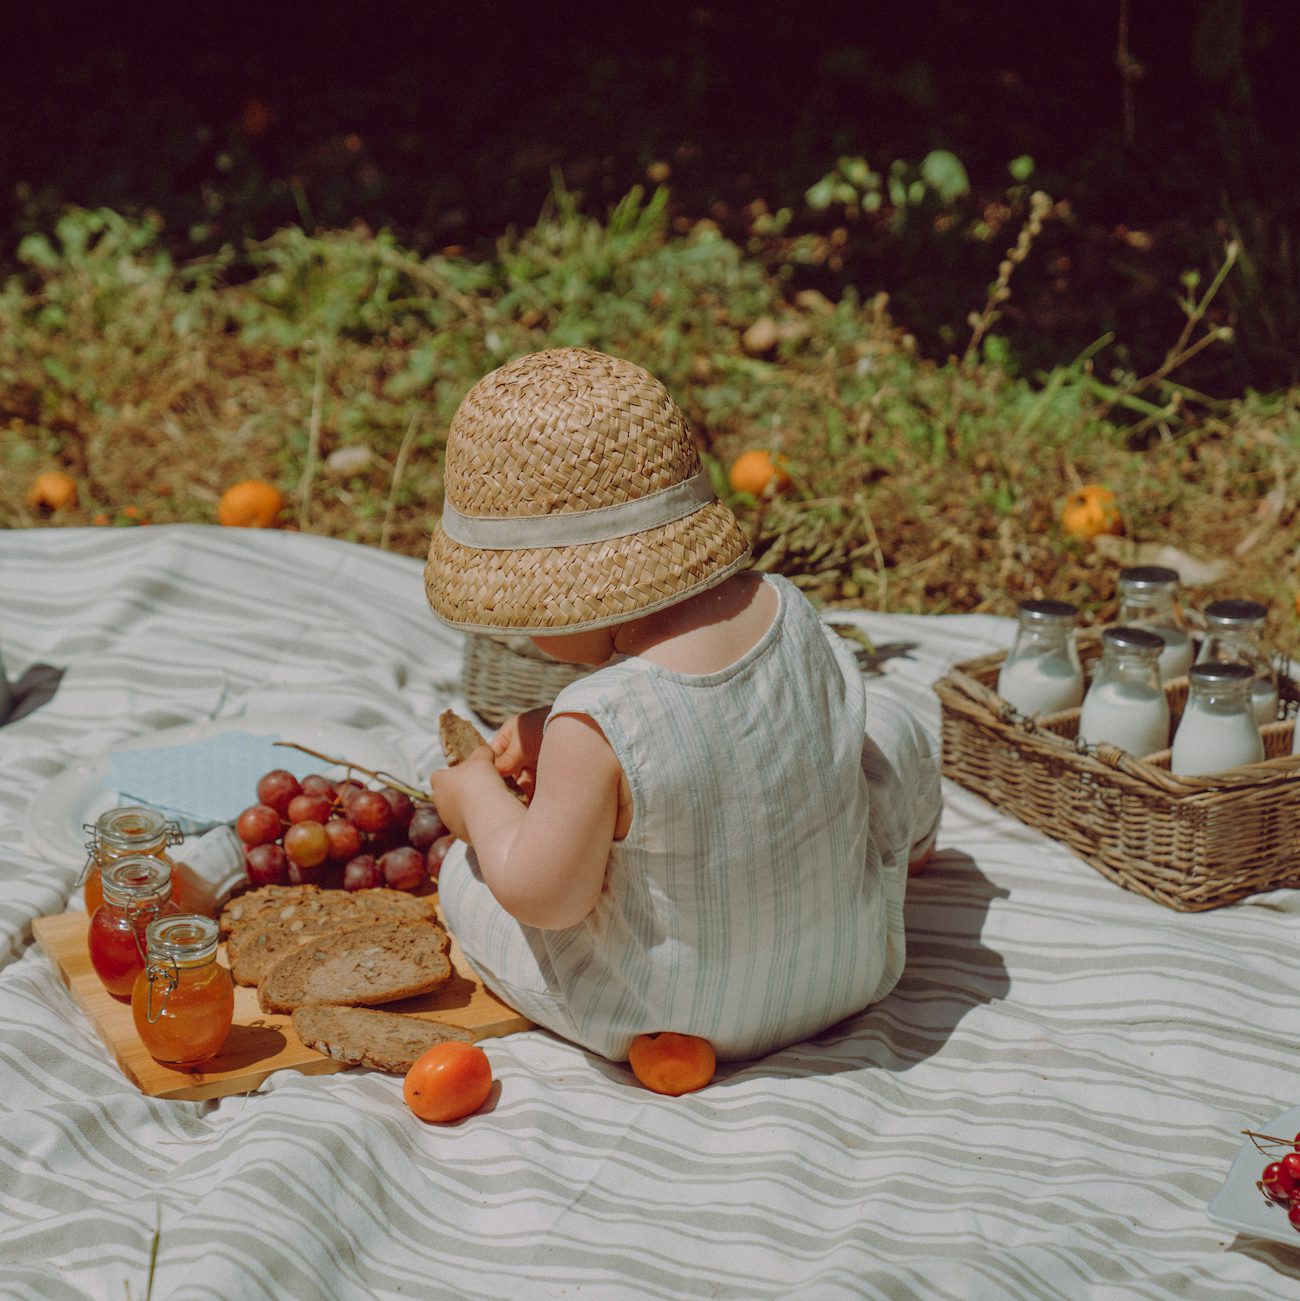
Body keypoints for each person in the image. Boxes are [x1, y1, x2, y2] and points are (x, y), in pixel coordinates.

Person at [425, 347, 940, 1063]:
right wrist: (558, 735)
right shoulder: (788, 608)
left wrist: (474, 795)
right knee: (886, 722)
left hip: (666, 1016)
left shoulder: (596, 717)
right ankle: (913, 851)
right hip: (849, 968)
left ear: (571, 595)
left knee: (469, 879)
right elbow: (720, 730)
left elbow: (544, 896)